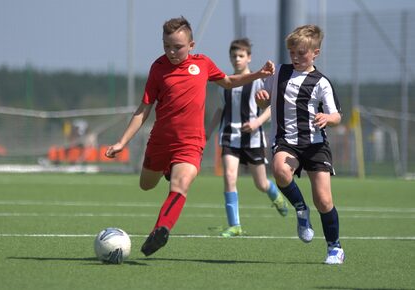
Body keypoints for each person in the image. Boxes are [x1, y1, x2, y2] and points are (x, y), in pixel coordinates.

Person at [105, 16, 274, 257]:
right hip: (161, 141)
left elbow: (227, 81)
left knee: (180, 185)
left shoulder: (203, 64)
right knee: (146, 185)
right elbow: (144, 108)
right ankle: (166, 169)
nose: (171, 52)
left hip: (191, 142)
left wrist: (257, 75)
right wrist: (122, 142)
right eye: (166, 46)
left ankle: (161, 230)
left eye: (178, 47)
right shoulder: (158, 68)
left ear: (191, 45)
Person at [255, 24, 345, 264]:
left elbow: (336, 115)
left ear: (315, 52)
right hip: (286, 142)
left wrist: (327, 117)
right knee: (280, 170)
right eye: (292, 52)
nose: (295, 57)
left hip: (315, 145)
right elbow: (264, 101)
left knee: (324, 200)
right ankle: (301, 210)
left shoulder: (321, 82)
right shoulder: (279, 73)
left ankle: (334, 247)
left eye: (301, 53)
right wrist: (261, 98)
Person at [206, 38, 288, 237]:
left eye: (241, 55)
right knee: (229, 176)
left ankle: (275, 195)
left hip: (253, 139)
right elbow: (219, 110)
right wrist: (207, 132)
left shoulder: (259, 81)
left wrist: (256, 123)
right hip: (229, 136)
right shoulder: (224, 83)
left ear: (249, 57)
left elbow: (271, 108)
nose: (237, 59)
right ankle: (235, 225)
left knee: (260, 184)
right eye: (234, 56)